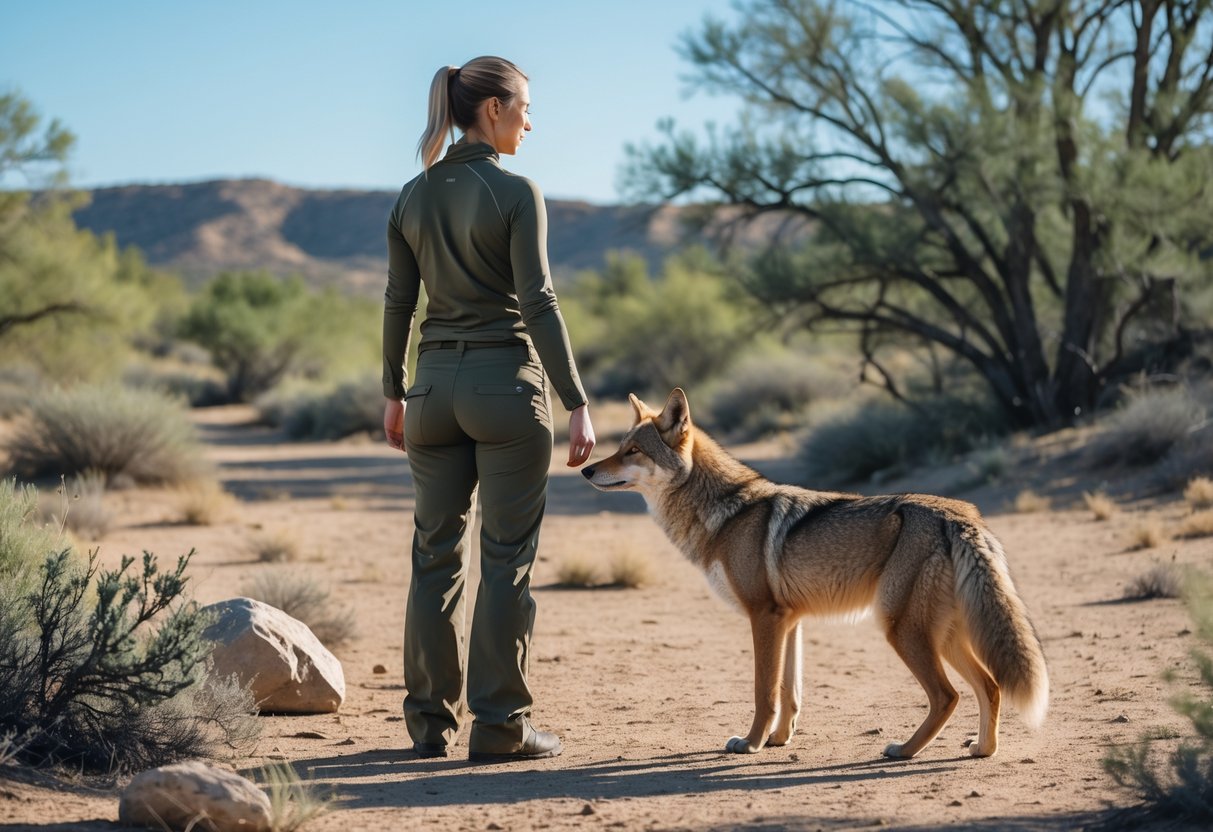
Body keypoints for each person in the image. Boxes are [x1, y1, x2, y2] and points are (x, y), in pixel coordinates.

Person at [382, 56, 596, 763]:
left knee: (432, 559)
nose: (531, 122)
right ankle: (500, 729)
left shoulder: (412, 195)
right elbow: (538, 302)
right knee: (504, 562)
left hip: (430, 394)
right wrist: (577, 402)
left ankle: (426, 726)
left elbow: (398, 304)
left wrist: (392, 391)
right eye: (526, 108)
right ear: (493, 110)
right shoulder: (515, 191)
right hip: (505, 392)